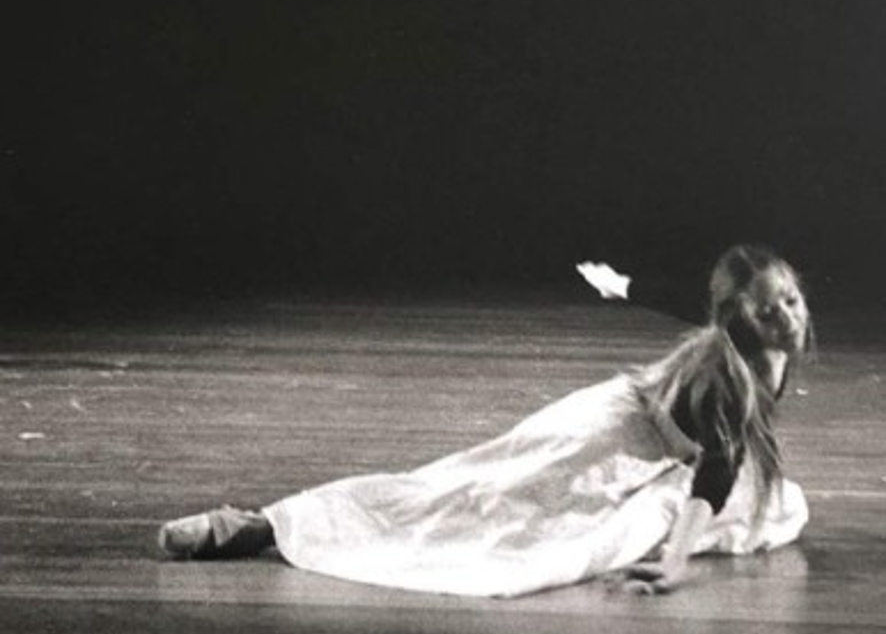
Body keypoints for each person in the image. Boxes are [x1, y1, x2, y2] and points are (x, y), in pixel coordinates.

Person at [158, 243, 812, 597]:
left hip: (633, 435)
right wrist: (674, 563)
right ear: (734, 321)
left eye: (789, 298)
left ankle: (271, 524)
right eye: (766, 311)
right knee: (467, 493)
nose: (786, 317)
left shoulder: (753, 344)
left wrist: (620, 286)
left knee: (480, 496)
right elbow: (713, 479)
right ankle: (262, 524)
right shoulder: (730, 377)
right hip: (614, 431)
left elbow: (681, 302)